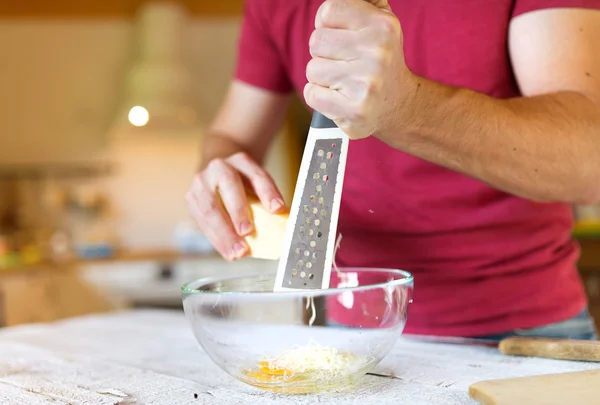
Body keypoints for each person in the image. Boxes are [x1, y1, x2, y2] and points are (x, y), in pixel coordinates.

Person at [186, 0, 600, 340]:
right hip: (348, 334)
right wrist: (219, 175)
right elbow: (231, 137)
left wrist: (404, 107)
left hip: (526, 337)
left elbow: (588, 164)